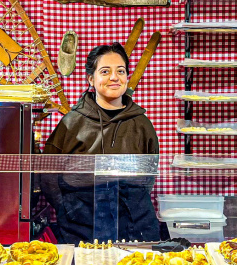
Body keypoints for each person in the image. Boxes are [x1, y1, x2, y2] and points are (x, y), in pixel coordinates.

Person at [42, 43, 160, 244]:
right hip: (79, 227)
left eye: (120, 71)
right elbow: (47, 174)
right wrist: (67, 208)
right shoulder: (71, 122)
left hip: (135, 227)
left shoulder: (142, 124)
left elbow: (148, 175)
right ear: (91, 78)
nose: (114, 77)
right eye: (105, 71)